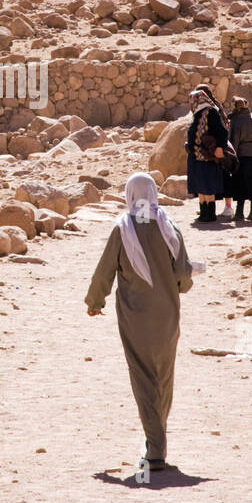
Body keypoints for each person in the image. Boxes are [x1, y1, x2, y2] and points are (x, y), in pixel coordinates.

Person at [87, 172, 193, 473]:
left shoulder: (123, 229)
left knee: (143, 374)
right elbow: (183, 275)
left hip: (135, 316)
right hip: (168, 314)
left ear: (130, 195)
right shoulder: (168, 226)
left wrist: (95, 302)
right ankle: (155, 440)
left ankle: (155, 448)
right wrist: (178, 288)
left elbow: (105, 271)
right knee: (164, 374)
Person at [185, 85, 229, 224]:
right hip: (197, 157)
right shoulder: (197, 115)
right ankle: (203, 213)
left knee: (208, 185)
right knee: (200, 185)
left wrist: (220, 148)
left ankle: (210, 214)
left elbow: (222, 132)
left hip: (207, 156)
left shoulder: (212, 113)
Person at [228, 97, 252, 222]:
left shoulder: (236, 122)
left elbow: (234, 142)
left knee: (240, 184)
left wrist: (232, 158)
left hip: (242, 156)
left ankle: (239, 213)